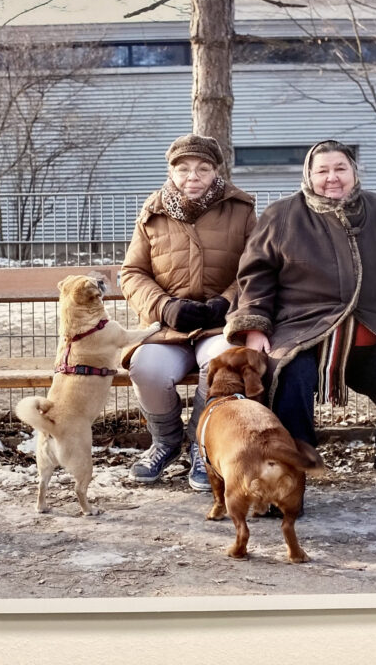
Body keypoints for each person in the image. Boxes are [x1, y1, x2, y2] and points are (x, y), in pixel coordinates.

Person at [224, 139, 376, 513]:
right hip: (306, 329)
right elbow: (255, 276)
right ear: (309, 176)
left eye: (340, 169)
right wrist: (255, 326)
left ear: (354, 172)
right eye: (323, 170)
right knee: (286, 375)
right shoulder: (281, 215)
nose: (332, 178)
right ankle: (288, 479)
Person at [120, 133, 256, 491]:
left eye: (202, 168)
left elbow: (256, 269)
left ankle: (201, 445)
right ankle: (165, 442)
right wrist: (165, 307)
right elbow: (132, 273)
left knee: (222, 361)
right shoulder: (152, 212)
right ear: (171, 171)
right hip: (169, 327)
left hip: (219, 326)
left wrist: (226, 303)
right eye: (183, 169)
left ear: (216, 172)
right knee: (146, 367)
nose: (192, 176)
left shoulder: (241, 209)